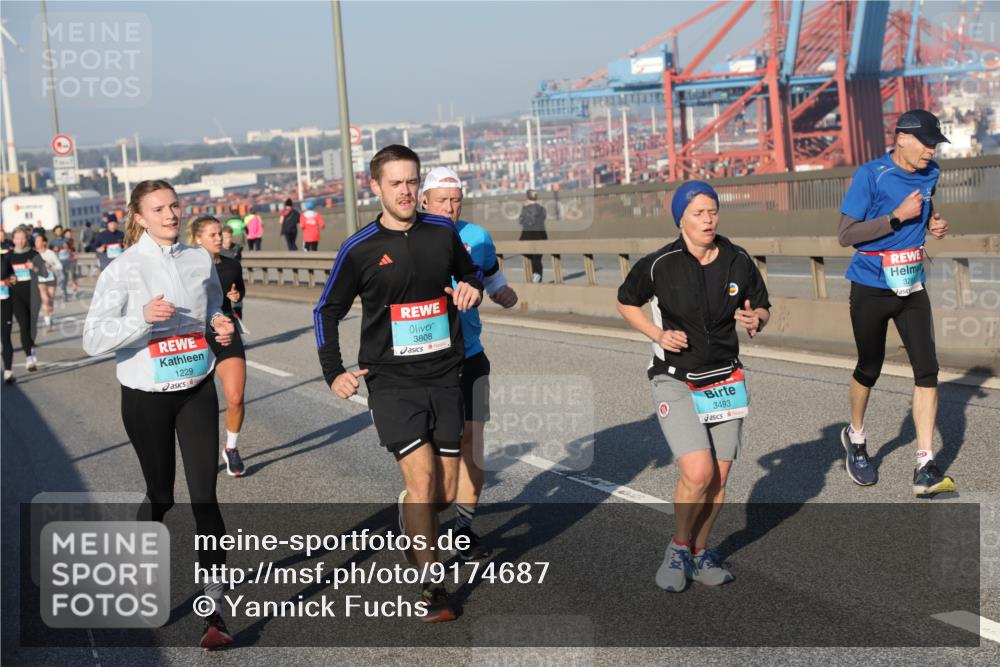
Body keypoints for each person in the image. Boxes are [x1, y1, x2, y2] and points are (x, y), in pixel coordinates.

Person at [314, 145, 483, 622]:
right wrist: (334, 371)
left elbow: (469, 274)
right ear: (376, 188)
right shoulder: (359, 247)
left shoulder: (442, 232)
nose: (406, 191)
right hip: (390, 383)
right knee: (425, 481)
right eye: (396, 184)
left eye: (412, 182)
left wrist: (473, 287)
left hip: (444, 375)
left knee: (445, 493)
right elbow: (326, 311)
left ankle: (409, 513)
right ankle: (432, 586)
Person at [82, 180, 236, 650]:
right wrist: (142, 318)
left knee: (205, 497)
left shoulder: (198, 259)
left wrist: (222, 326)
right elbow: (93, 338)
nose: (170, 215)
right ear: (139, 217)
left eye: (174, 206)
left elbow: (214, 308)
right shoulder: (122, 269)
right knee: (162, 495)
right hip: (146, 396)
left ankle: (214, 613)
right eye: (158, 209)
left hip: (196, 388)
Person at [617, 180, 771, 593]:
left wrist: (758, 319)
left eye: (713, 211)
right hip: (676, 379)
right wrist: (657, 333)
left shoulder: (737, 259)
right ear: (681, 218)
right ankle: (678, 548)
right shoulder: (660, 264)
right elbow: (626, 300)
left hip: (724, 378)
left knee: (718, 479)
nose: (708, 219)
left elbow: (761, 304)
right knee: (697, 471)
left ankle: (702, 555)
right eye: (699, 212)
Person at [836, 109, 956, 497]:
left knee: (928, 370)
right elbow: (846, 235)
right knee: (869, 367)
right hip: (870, 284)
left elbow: (926, 208)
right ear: (901, 138)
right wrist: (895, 217)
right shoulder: (871, 176)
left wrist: (933, 223)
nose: (931, 150)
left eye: (935, 143)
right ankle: (855, 437)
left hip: (912, 285)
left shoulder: (932, 173)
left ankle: (925, 463)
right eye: (926, 142)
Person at [419, 167, 518, 560]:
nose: (449, 207)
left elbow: (490, 274)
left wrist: (501, 291)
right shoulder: (412, 240)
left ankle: (462, 528)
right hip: (425, 363)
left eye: (455, 199)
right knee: (431, 455)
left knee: (471, 446)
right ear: (424, 201)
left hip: (471, 354)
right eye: (441, 200)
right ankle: (423, 514)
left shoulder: (477, 237)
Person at [189, 215, 248, 477]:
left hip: (226, 333)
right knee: (201, 407)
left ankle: (232, 448)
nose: (219, 238)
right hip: (197, 338)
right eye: (212, 235)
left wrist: (235, 297)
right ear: (197, 239)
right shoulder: (186, 268)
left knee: (235, 397)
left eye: (220, 234)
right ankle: (201, 452)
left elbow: (239, 294)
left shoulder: (231, 265)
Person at [2, 228, 44, 381]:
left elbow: (45, 273)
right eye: (17, 238)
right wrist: (10, 278)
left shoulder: (33, 254)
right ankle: (29, 358)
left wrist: (35, 268)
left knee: (31, 327)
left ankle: (31, 350)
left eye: (22, 238)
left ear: (26, 239)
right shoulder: (9, 257)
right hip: (16, 296)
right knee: (24, 325)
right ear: (13, 240)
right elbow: (4, 274)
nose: (20, 241)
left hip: (33, 295)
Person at [518, 189, 547, 282]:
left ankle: (535, 274)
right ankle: (537, 274)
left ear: (527, 197)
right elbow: (543, 218)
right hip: (541, 235)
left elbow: (521, 221)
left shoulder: (525, 209)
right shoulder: (542, 209)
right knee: (537, 258)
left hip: (528, 235)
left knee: (530, 257)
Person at [34, 235, 62, 332]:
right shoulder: (34, 254)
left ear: (44, 242)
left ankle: (50, 316)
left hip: (51, 279)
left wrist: (52, 267)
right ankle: (48, 324)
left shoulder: (50, 253)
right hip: (40, 280)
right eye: (36, 241)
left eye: (38, 241)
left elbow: (59, 265)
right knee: (45, 299)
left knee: (50, 299)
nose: (36, 243)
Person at [55, 229, 80, 299]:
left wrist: (72, 252)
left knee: (73, 276)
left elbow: (76, 251)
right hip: (63, 262)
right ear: (64, 235)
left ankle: (75, 290)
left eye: (70, 234)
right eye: (67, 234)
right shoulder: (60, 242)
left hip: (72, 261)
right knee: (63, 277)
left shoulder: (72, 241)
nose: (69, 236)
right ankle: (63, 290)